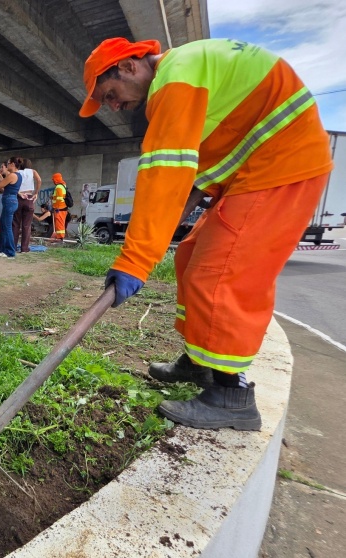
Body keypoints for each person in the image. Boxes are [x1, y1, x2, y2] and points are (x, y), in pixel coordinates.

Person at [79, 37, 333, 431]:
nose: (113, 105)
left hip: (282, 166)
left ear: (129, 66)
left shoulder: (175, 80)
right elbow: (188, 184)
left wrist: (135, 260)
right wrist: (155, 243)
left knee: (219, 272)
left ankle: (232, 395)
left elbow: (165, 176)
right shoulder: (189, 71)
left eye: (110, 94)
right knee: (190, 255)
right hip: (256, 169)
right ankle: (201, 364)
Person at [0, 158, 21, 258]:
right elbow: (7, 184)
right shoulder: (17, 175)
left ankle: (10, 251)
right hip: (11, 200)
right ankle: (2, 248)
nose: (7, 166)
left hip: (9, 201)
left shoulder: (12, 175)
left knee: (7, 227)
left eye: (8, 164)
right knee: (3, 226)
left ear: (12, 164)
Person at [13, 158, 41, 253]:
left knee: (16, 224)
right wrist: (36, 193)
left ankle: (13, 246)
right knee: (26, 225)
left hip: (19, 197)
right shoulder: (32, 171)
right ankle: (24, 248)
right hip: (29, 198)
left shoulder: (17, 172)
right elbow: (39, 180)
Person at [50, 173, 69, 240]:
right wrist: (53, 197)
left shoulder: (58, 187)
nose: (53, 181)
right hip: (62, 208)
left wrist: (55, 208)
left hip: (59, 208)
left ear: (56, 179)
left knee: (59, 223)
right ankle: (60, 237)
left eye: (54, 180)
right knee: (60, 223)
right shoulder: (63, 185)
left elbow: (59, 199)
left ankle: (60, 238)